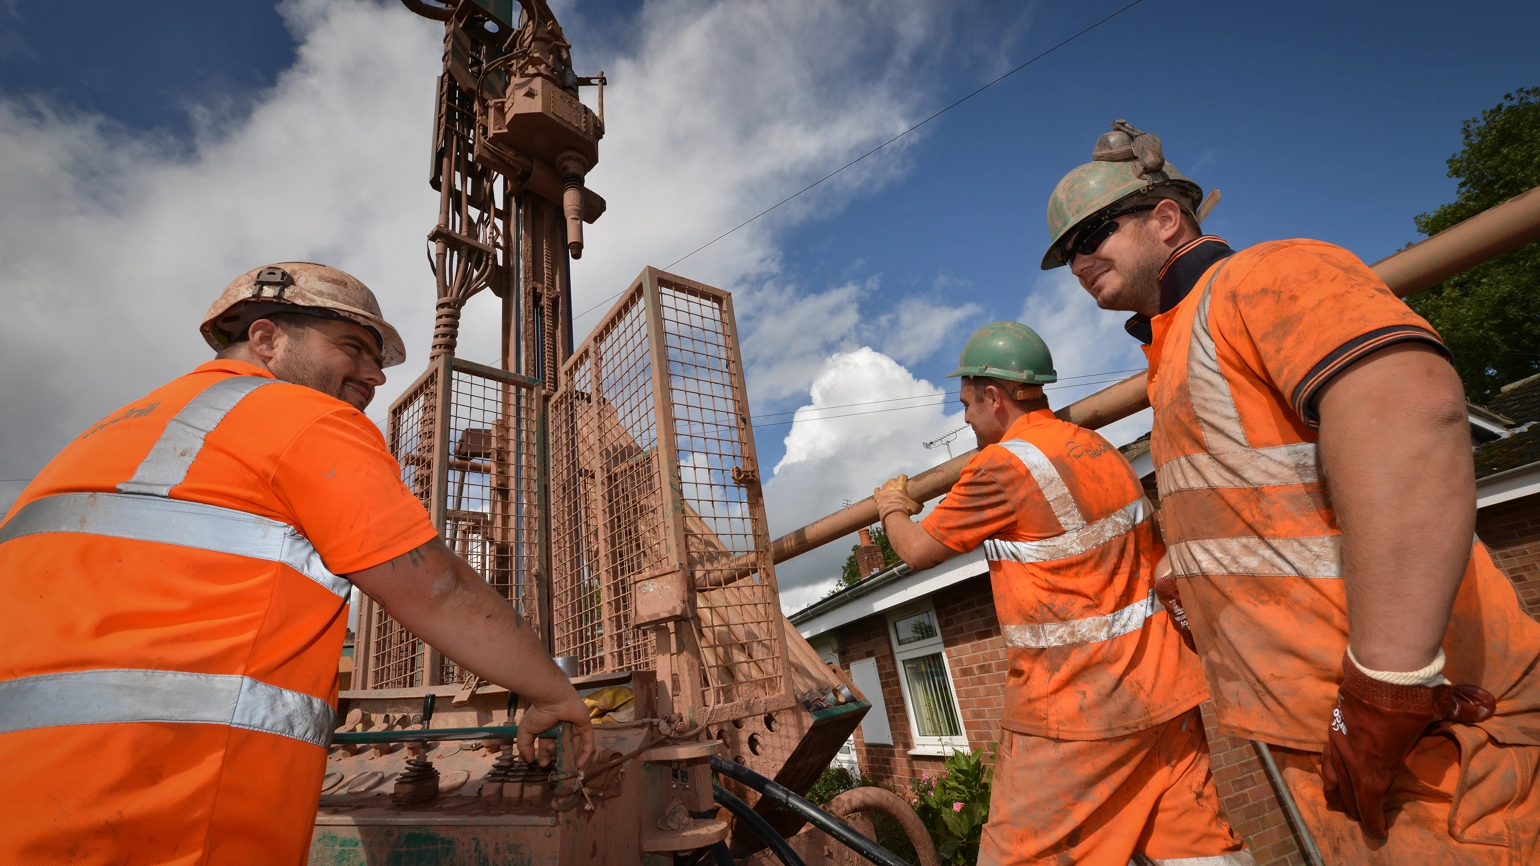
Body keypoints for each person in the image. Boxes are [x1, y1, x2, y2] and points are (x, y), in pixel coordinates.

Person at [1042, 120, 1540, 862]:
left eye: (1093, 236)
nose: (1080, 261)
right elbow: (1274, 500)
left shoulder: (1264, 276)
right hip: (1342, 740)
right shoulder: (1176, 351)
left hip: (1435, 745)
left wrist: (1388, 685)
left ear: (1167, 218)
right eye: (1069, 253)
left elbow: (1409, 411)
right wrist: (1192, 567)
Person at [0, 263, 594, 863]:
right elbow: (437, 591)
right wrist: (549, 690)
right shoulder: (302, 418)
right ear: (266, 339)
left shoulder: (106, 437)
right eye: (353, 348)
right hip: (164, 804)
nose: (373, 376)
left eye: (377, 362)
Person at [875, 322, 1253, 865]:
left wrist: (891, 504)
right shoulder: (1094, 446)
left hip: (1076, 706)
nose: (963, 418)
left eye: (966, 404)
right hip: (1165, 688)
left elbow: (917, 550)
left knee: (1018, 857)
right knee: (1195, 847)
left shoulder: (1005, 464)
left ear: (994, 397)